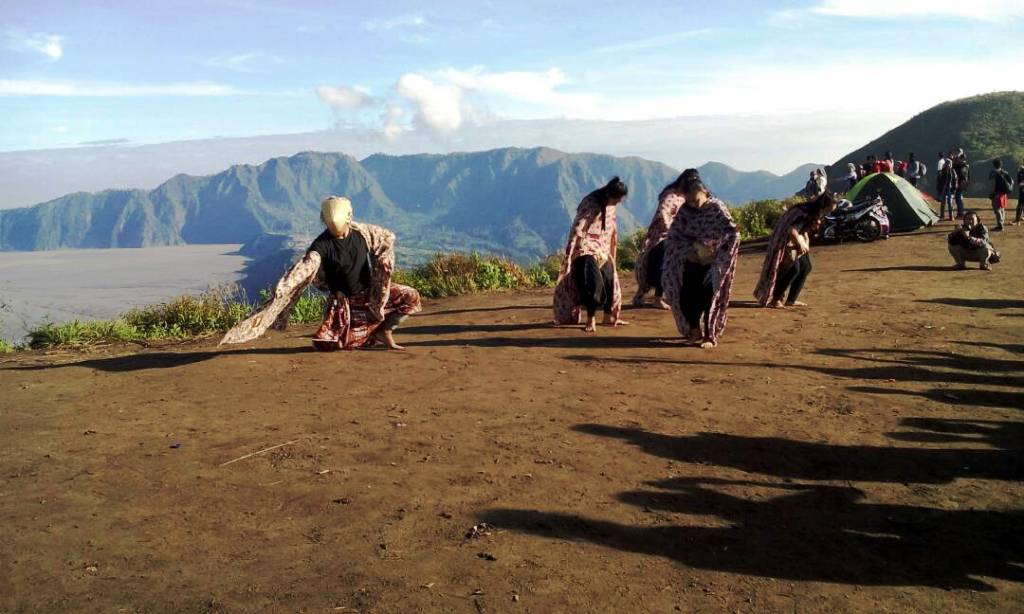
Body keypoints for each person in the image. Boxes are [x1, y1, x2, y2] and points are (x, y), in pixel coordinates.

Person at [220, 196, 422, 350]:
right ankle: (366, 333)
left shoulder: (363, 233)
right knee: (330, 344)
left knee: (410, 296)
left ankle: (384, 331)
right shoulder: (321, 246)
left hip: (372, 295)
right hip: (345, 301)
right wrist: (285, 290)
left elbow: (387, 239)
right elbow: (305, 270)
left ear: (349, 218)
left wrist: (381, 281)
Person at [661, 175, 740, 349]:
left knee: (708, 299)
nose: (693, 205)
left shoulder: (717, 208)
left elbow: (732, 233)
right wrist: (687, 251)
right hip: (690, 260)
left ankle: (709, 336)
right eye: (689, 202)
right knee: (686, 298)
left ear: (704, 192)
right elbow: (674, 236)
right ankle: (694, 330)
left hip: (712, 264)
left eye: (696, 201)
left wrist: (717, 253)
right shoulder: (685, 211)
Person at [553, 177, 630, 332]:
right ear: (609, 195)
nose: (618, 203)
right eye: (617, 200)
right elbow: (577, 229)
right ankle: (591, 319)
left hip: (600, 247)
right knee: (593, 283)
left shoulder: (609, 206)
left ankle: (608, 316)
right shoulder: (591, 204)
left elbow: (610, 230)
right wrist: (571, 254)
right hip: (585, 248)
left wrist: (609, 253)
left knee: (609, 276)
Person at [754, 192, 837, 308]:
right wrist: (800, 243)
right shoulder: (804, 211)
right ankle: (776, 299)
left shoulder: (813, 212)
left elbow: (804, 230)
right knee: (793, 268)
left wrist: (805, 243)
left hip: (795, 240)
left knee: (806, 267)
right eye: (829, 209)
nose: (829, 213)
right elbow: (792, 230)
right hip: (784, 241)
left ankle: (791, 299)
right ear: (823, 206)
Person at [633, 170, 697, 309]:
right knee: (662, 266)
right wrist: (672, 231)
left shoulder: (683, 197)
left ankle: (656, 296)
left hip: (677, 236)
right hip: (663, 237)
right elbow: (663, 214)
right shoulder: (670, 195)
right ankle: (657, 298)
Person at [989, 159, 1014, 231]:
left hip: (997, 193)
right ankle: (1001, 223)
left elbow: (993, 183)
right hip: (1004, 194)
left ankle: (1000, 225)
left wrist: (992, 192)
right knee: (1002, 209)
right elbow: (1012, 181)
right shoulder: (1004, 172)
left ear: (993, 165)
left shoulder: (993, 173)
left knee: (997, 209)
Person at [937, 151, 956, 220]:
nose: (947, 164)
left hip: (950, 188)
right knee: (943, 202)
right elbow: (940, 181)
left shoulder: (953, 171)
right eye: (946, 163)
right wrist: (940, 187)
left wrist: (954, 189)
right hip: (944, 188)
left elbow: (955, 181)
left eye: (949, 163)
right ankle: (942, 216)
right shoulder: (943, 171)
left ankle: (951, 216)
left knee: (950, 202)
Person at [952, 149, 970, 219]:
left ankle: (961, 213)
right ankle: (960, 213)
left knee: (958, 198)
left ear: (962, 159)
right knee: (958, 198)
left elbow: (963, 176)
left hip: (961, 183)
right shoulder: (961, 165)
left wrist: (960, 184)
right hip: (960, 183)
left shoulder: (964, 166)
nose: (958, 159)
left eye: (959, 158)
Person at [1015, 160, 1024, 226]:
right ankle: (1019, 219)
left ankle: (1017, 220)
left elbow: (1019, 182)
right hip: (1022, 189)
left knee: (1020, 205)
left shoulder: (1021, 171)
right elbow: (1018, 182)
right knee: (1020, 205)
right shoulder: (1021, 171)